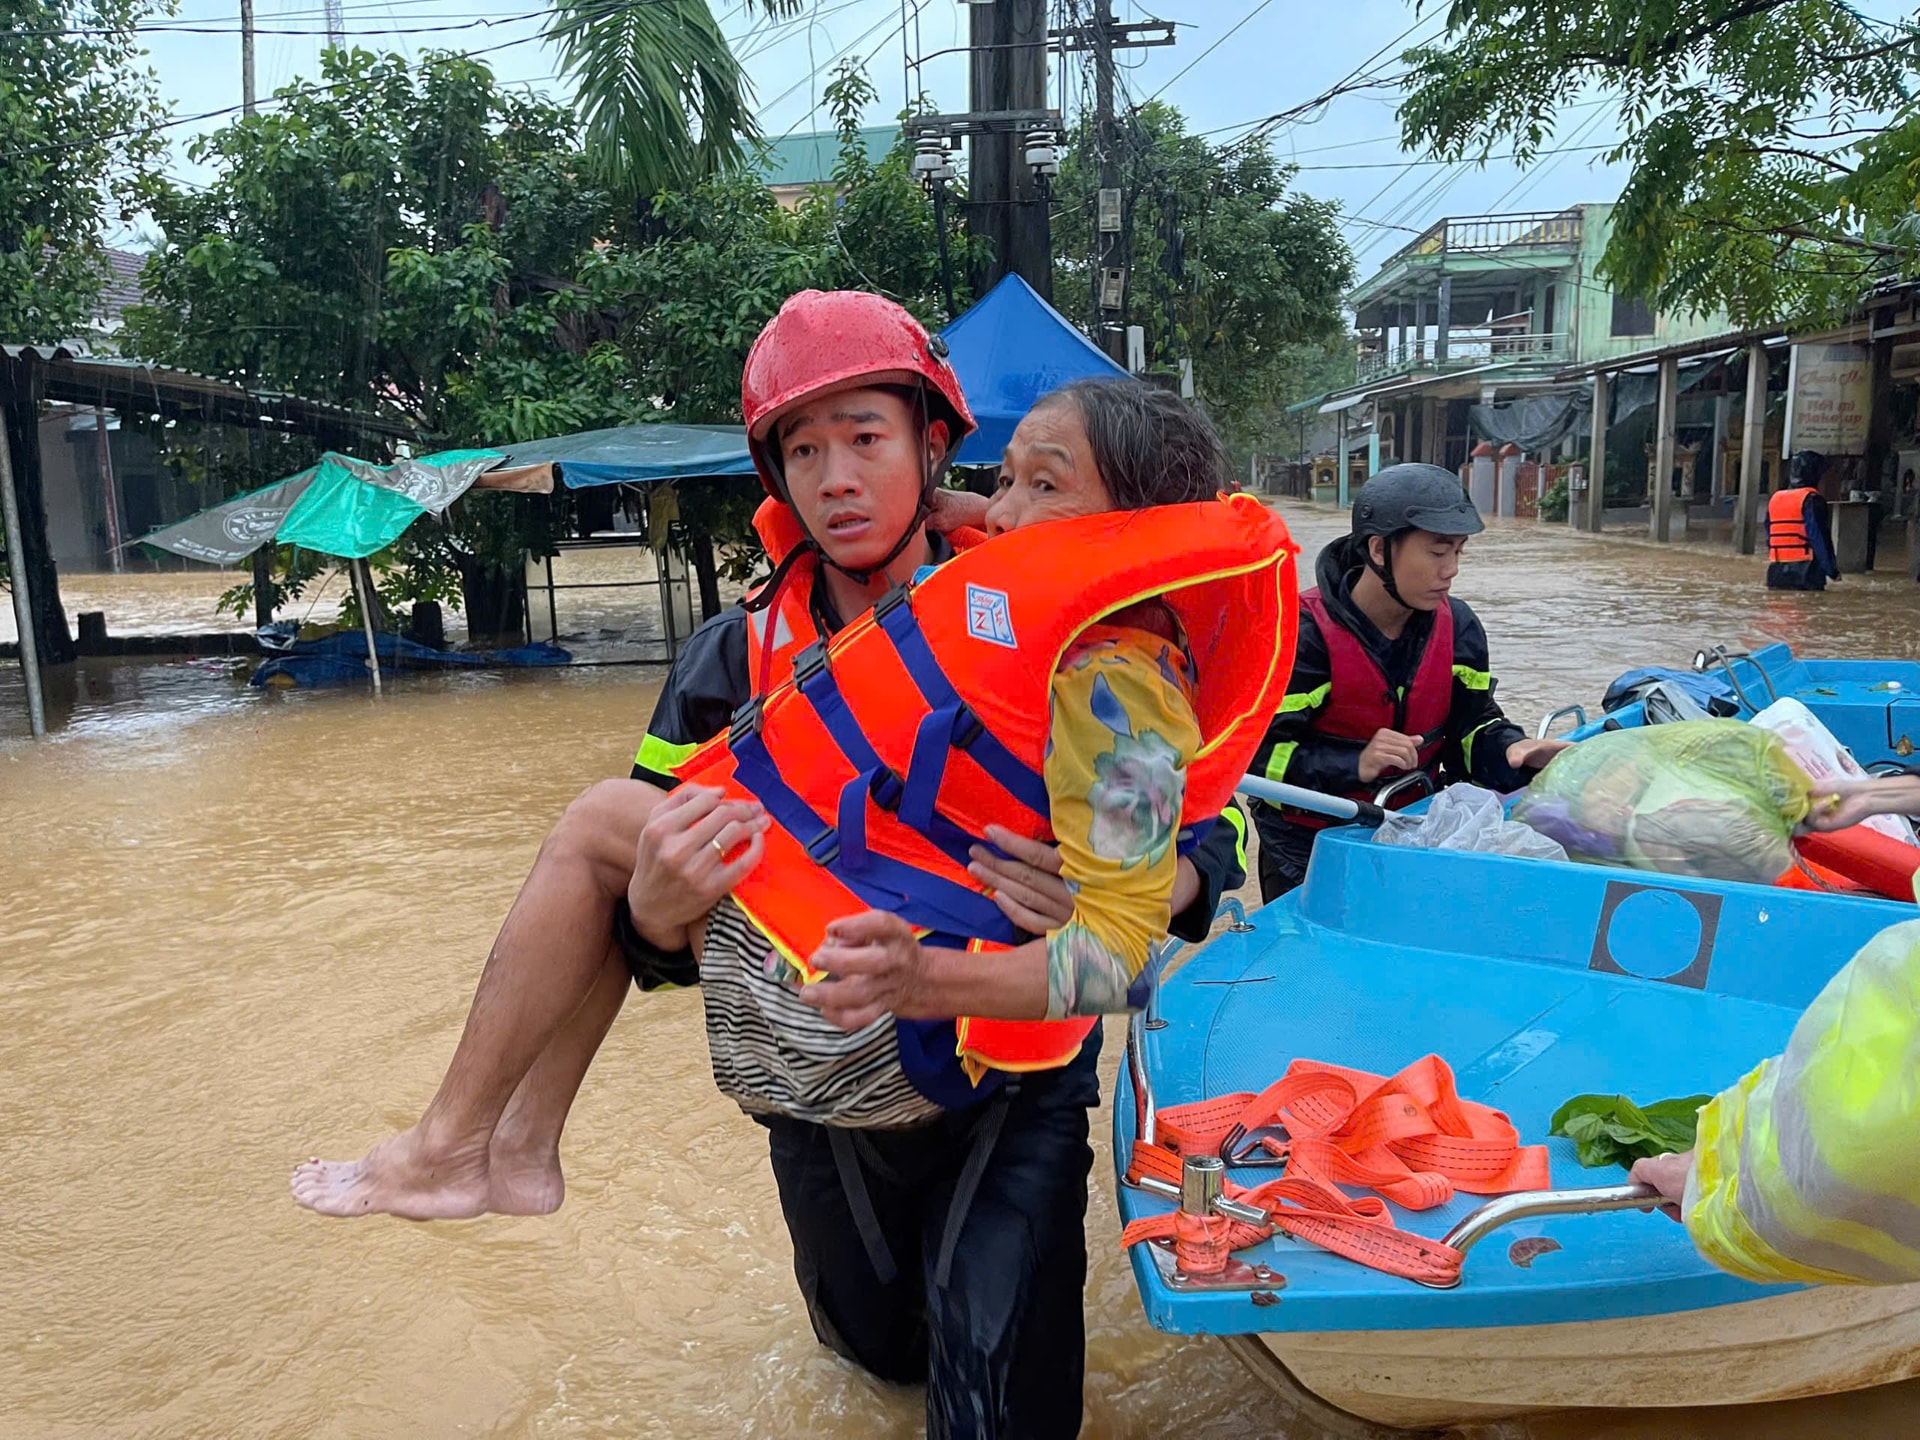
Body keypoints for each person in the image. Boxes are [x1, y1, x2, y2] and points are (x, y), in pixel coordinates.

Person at [294, 286, 1274, 1435]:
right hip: (821, 1080)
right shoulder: (729, 660)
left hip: (1013, 1081)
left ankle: (470, 1142)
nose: (836, 479)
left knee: (1004, 1400)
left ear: (933, 446)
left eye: (866, 439)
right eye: (803, 452)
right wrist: (654, 913)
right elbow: (653, 951)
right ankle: (499, 1144)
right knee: (873, 1368)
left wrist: (1153, 880)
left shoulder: (1083, 640)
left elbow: (1208, 828)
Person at [1246, 463, 1568, 901]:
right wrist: (1354, 763)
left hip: (1414, 828)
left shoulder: (1459, 626)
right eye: (1437, 553)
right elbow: (1253, 757)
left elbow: (1472, 726)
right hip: (1307, 847)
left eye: (1459, 552)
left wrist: (1512, 750)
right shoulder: (1300, 636)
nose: (1451, 570)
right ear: (1379, 549)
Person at [1765, 449, 1841, 591]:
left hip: (1776, 571)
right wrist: (1832, 571)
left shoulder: (1775, 498)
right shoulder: (1812, 499)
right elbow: (1818, 537)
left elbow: (1770, 536)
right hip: (1806, 572)